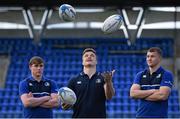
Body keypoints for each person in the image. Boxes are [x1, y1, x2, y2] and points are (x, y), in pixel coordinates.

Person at [62, 48, 115, 118]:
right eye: (86, 56)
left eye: (92, 55)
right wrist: (67, 104)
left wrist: (108, 82)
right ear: (82, 62)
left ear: (96, 61)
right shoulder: (74, 80)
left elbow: (109, 96)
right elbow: (64, 106)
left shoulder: (104, 78)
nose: (89, 57)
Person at [130, 47, 174, 118]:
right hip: (141, 116)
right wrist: (153, 91)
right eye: (148, 56)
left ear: (159, 59)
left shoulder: (166, 74)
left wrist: (141, 95)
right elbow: (133, 94)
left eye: (152, 56)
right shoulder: (140, 75)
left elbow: (162, 95)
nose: (149, 59)